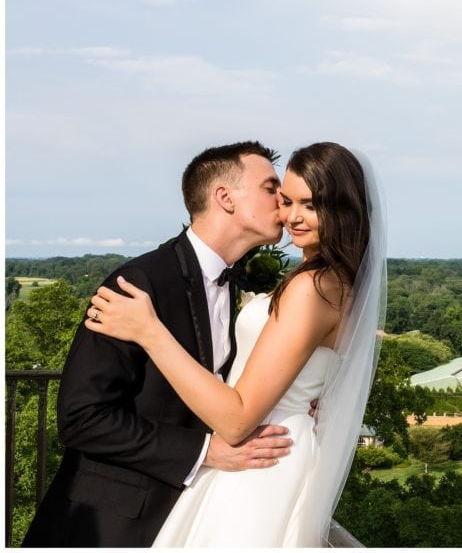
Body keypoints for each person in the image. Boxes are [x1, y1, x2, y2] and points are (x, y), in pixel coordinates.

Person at [82, 142, 386, 546]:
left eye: (310, 205)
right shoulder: (335, 282)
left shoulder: (313, 289)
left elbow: (238, 418)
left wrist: (149, 332)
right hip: (278, 446)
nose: (291, 216)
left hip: (261, 456)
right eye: (286, 200)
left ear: (343, 209)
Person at [23, 141, 296, 548]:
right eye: (271, 187)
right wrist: (205, 451)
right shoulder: (136, 286)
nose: (283, 199)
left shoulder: (239, 282)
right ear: (224, 197)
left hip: (187, 518)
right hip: (109, 524)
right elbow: (82, 417)